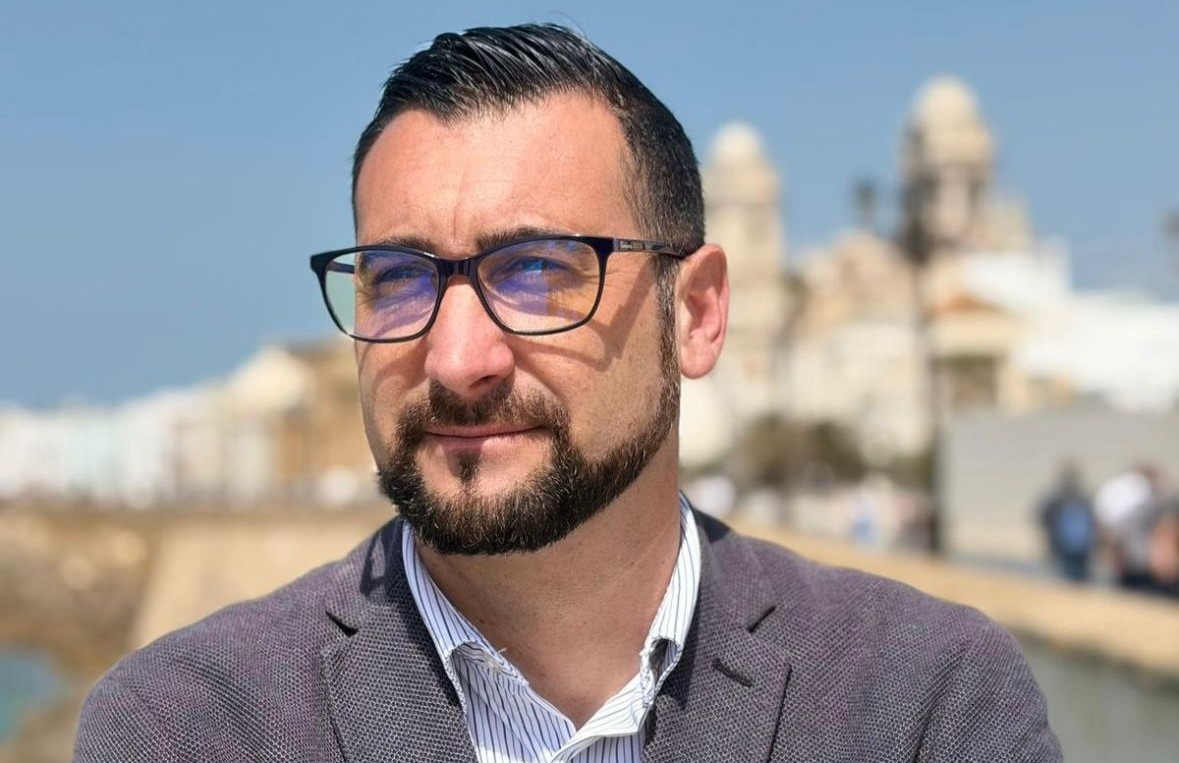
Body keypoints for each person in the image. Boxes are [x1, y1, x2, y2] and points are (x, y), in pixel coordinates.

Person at [74, 24, 1061, 762]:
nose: (457, 358)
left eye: (537, 272)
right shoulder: (189, 726)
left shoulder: (923, 701)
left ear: (696, 313)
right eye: (400, 279)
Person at [1037, 463, 1097, 582]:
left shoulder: (1056, 499)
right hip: (1083, 547)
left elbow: (1043, 518)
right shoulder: (1085, 498)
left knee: (1063, 580)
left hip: (1062, 545)